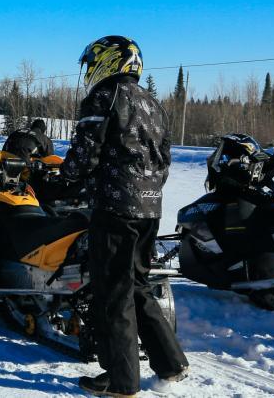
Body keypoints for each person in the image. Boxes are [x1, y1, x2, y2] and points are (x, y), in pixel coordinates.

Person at [61, 36, 188, 397]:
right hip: (150, 207)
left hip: (116, 208)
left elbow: (86, 152)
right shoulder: (154, 103)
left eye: (91, 64)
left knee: (113, 294)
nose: (89, 73)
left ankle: (122, 383)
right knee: (137, 285)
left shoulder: (105, 96)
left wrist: (65, 179)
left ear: (107, 62)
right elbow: (164, 160)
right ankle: (170, 362)